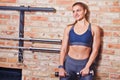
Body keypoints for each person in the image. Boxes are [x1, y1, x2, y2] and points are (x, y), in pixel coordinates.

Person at [58, 2, 101, 80]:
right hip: (69, 64)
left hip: (85, 64)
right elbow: (63, 49)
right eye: (73, 11)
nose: (75, 13)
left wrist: (87, 67)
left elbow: (95, 50)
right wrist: (61, 67)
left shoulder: (94, 29)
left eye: (78, 10)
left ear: (85, 11)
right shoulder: (68, 28)